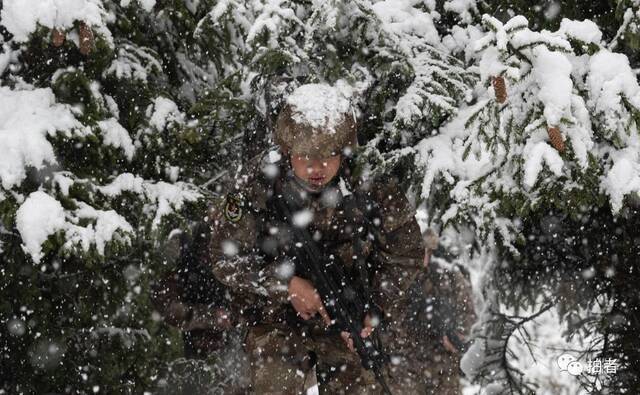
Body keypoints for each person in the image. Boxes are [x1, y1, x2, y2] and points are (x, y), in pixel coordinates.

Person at [207, 82, 475, 394]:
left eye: (328, 155)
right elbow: (225, 259)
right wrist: (286, 285)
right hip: (277, 320)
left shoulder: (370, 183)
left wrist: (372, 312)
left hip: (349, 311)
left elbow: (406, 254)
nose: (316, 167)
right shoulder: (256, 186)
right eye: (305, 155)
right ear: (287, 150)